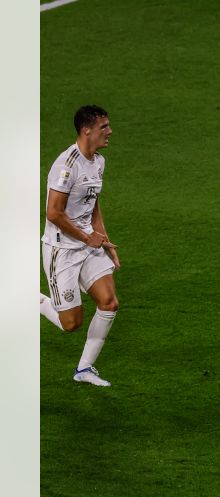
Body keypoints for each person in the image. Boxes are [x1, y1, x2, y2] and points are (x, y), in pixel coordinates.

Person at [38, 105, 121, 387]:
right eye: (104, 127)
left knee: (109, 302)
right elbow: (53, 213)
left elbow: (92, 202)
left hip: (88, 244)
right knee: (70, 324)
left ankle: (84, 369)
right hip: (62, 250)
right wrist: (88, 238)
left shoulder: (98, 161)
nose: (109, 132)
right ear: (87, 130)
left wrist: (103, 239)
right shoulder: (66, 166)